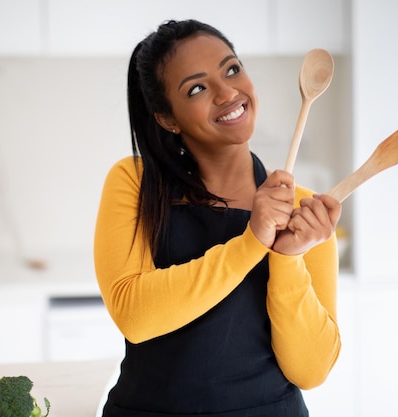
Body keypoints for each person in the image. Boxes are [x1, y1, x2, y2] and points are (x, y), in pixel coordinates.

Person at [94, 19, 342, 417]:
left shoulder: (303, 211)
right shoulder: (135, 182)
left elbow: (310, 371)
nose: (228, 93)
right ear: (166, 118)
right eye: (197, 88)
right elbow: (134, 315)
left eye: (231, 69)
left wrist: (287, 256)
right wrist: (252, 242)